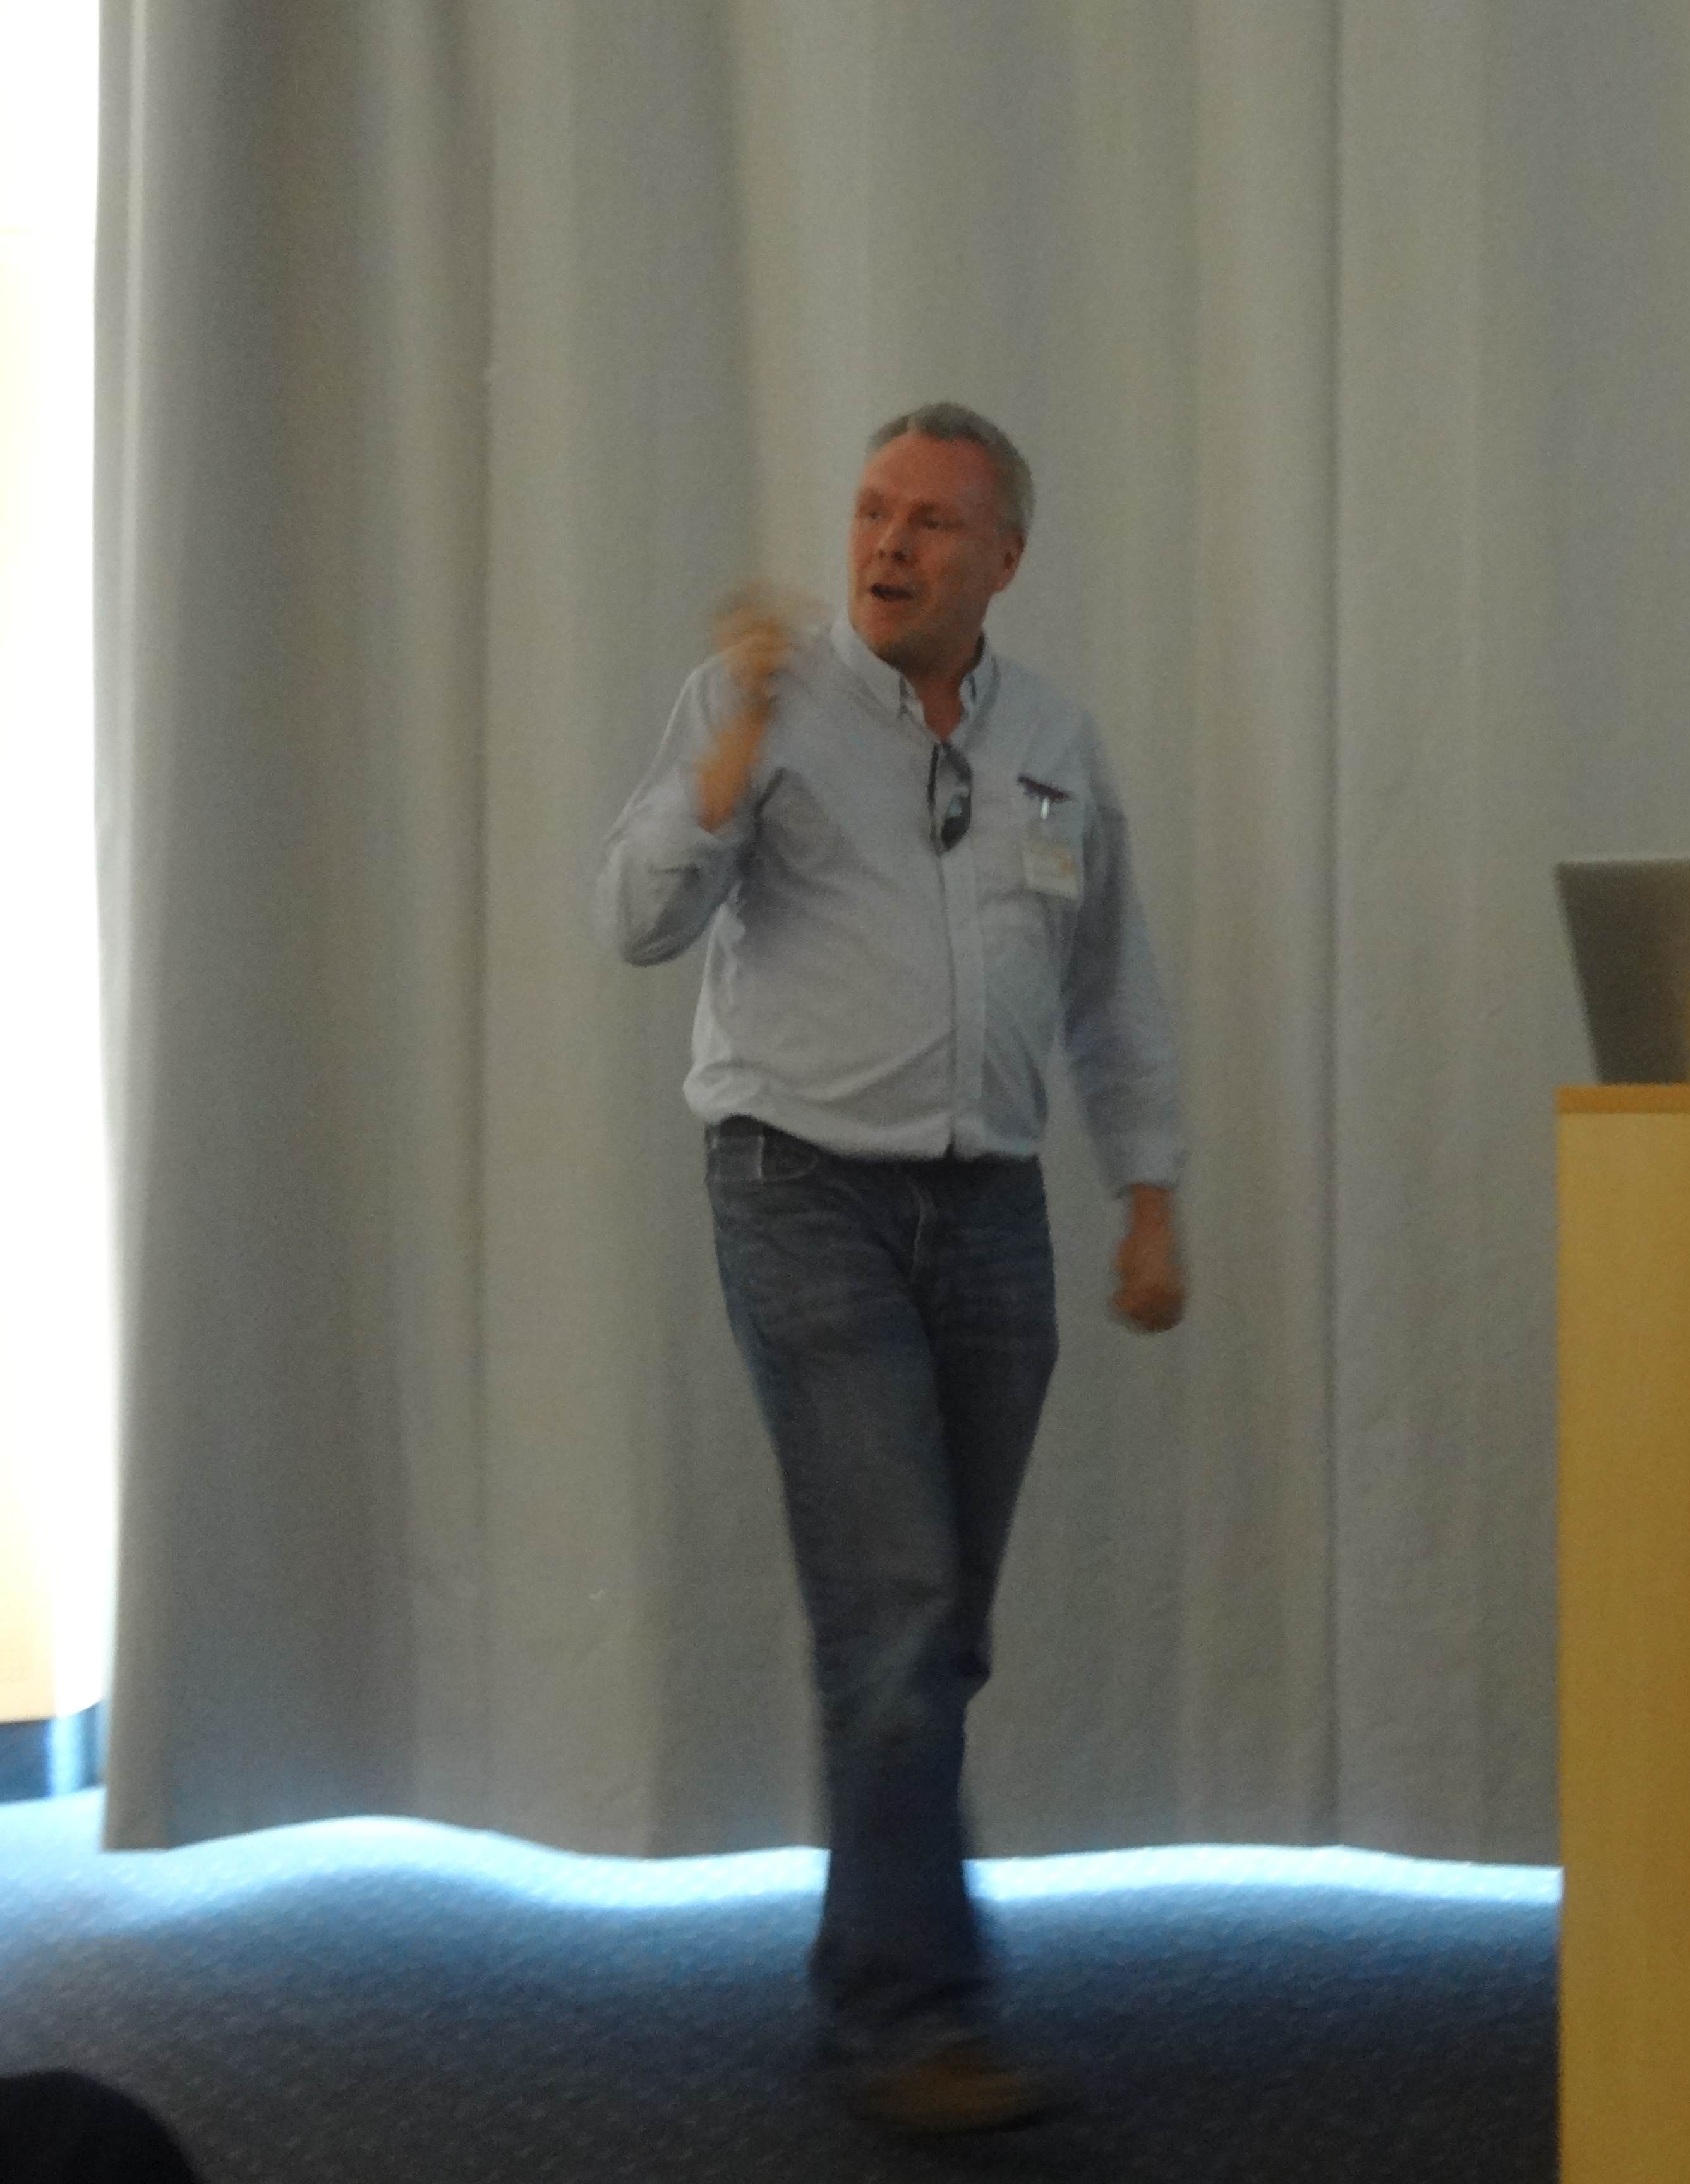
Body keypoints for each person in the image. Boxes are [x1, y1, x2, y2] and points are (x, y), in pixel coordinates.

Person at [597, 404, 1185, 2135]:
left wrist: (1148, 1193)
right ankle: (911, 2020)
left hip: (993, 1211)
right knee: (903, 1612)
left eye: (932, 522)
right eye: (872, 512)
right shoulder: (755, 704)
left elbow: (1108, 986)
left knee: (935, 1633)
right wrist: (731, 755)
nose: (889, 545)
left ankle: (876, 1974)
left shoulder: (1054, 738)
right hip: (802, 1193)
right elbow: (635, 917)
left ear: (1004, 557)